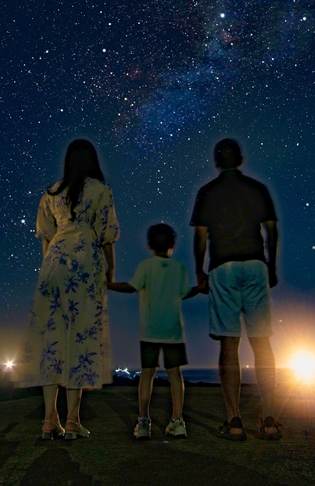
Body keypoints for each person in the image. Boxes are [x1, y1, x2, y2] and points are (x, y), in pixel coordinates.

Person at [16, 139, 120, 440]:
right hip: (86, 261)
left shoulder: (52, 192)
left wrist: (49, 268)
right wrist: (110, 270)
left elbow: (45, 237)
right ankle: (73, 419)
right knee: (81, 338)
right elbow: (107, 236)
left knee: (52, 339)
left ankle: (50, 419)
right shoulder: (102, 190)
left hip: (55, 264)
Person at [191, 138, 282, 441]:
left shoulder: (207, 193)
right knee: (262, 343)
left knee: (229, 345)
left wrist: (199, 272)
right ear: (241, 158)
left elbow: (201, 238)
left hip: (223, 267)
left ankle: (234, 421)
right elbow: (271, 231)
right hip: (255, 264)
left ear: (217, 160)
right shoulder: (257, 189)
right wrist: (270, 267)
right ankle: (269, 420)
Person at [108, 223, 205, 440]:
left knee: (147, 375)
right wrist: (198, 289)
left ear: (149, 245)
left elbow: (131, 287)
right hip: (173, 331)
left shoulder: (145, 266)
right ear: (173, 244)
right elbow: (184, 293)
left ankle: (143, 422)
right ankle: (177, 421)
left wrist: (109, 285)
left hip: (150, 330)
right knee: (175, 375)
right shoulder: (178, 267)